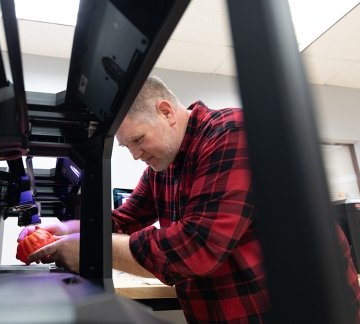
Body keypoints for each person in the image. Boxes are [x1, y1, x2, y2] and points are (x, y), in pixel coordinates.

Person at [18, 76, 360, 323]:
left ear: (166, 112)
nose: (136, 155)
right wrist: (63, 231)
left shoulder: (232, 133)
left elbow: (197, 249)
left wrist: (91, 249)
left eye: (138, 139)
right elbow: (122, 219)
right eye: (128, 147)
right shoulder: (162, 166)